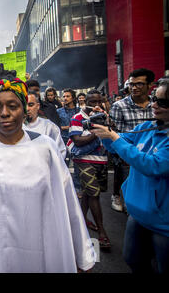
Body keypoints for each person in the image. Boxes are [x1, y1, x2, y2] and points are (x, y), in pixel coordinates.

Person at [0, 66, 95, 273]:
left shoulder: (46, 148)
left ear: (24, 109)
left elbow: (67, 203)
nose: (5, 113)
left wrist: (81, 253)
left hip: (41, 252)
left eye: (13, 106)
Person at [90, 79, 169, 273]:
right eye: (154, 99)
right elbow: (118, 144)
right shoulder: (147, 128)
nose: (154, 105)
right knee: (133, 260)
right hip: (138, 214)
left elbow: (153, 166)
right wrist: (106, 130)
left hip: (163, 222)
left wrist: (114, 137)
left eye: (162, 102)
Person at [67, 89, 111, 249]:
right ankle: (102, 232)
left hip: (101, 159)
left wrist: (105, 123)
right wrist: (98, 129)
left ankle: (80, 222)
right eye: (93, 102)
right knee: (94, 195)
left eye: (99, 101)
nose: (96, 105)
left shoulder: (104, 115)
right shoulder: (77, 118)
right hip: (83, 160)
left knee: (87, 192)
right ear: (85, 101)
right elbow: (78, 141)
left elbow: (113, 134)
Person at [109, 68, 155, 212]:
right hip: (130, 156)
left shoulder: (157, 105)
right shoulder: (119, 106)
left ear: (150, 85)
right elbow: (115, 133)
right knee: (132, 196)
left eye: (139, 84)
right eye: (131, 84)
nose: (134, 87)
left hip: (155, 155)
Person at [24, 90, 66, 159]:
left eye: (31, 105)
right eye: (24, 105)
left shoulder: (50, 127)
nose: (27, 109)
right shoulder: (16, 128)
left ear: (38, 106)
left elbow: (60, 152)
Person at [57, 89, 82, 194]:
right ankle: (62, 187)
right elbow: (56, 126)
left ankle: (78, 188)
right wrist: (67, 127)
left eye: (68, 96)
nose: (65, 98)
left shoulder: (79, 111)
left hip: (76, 140)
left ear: (73, 98)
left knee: (77, 165)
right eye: (64, 96)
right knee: (62, 164)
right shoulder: (59, 111)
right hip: (63, 139)